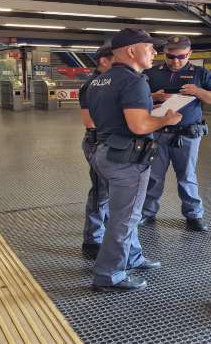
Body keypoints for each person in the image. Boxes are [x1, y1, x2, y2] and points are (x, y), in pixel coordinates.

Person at [85, 28, 182, 292]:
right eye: (149, 47)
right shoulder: (134, 81)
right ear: (131, 51)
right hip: (126, 159)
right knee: (125, 218)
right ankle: (109, 275)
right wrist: (166, 119)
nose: (154, 52)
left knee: (127, 213)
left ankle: (133, 256)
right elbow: (139, 125)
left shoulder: (98, 81)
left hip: (104, 151)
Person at [139, 36, 211, 232]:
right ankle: (147, 213)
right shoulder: (151, 73)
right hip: (157, 133)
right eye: (171, 56)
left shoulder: (201, 73)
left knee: (187, 175)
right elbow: (136, 99)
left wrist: (197, 91)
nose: (176, 61)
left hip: (187, 135)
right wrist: (153, 96)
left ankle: (194, 215)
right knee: (154, 176)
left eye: (181, 57)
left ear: (190, 54)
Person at [79, 44, 114, 259]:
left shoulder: (112, 83)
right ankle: (92, 240)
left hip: (112, 142)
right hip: (98, 143)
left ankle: (107, 235)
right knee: (101, 192)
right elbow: (89, 121)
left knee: (111, 193)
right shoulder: (92, 84)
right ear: (104, 61)